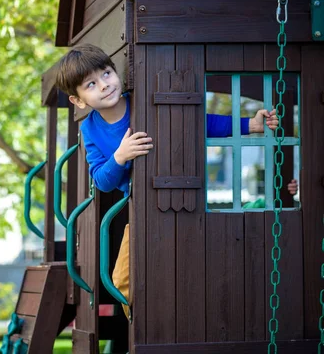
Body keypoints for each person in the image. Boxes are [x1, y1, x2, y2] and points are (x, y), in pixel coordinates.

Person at [55, 43, 279, 317]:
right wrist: (120, 156)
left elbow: (198, 121)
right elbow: (101, 181)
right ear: (78, 100)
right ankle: (141, 336)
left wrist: (250, 125)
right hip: (141, 210)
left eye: (106, 74)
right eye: (90, 84)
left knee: (192, 273)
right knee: (123, 282)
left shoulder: (142, 100)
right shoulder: (89, 129)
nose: (103, 85)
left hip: (182, 197)